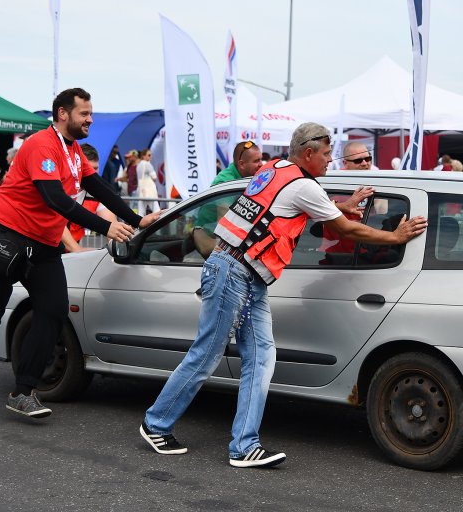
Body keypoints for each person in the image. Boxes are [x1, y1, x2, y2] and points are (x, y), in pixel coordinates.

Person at [138, 122, 427, 468]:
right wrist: (395, 237)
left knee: (260, 359)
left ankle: (244, 446)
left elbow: (290, 210)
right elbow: (343, 227)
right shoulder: (304, 185)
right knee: (207, 354)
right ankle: (156, 424)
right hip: (234, 272)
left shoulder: (276, 169)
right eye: (325, 154)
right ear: (308, 153)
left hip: (243, 273)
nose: (330, 160)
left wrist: (341, 204)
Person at [0, 87, 161, 421]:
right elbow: (55, 198)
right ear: (62, 113)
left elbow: (97, 186)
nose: (90, 119)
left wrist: (135, 218)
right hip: (7, 239)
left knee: (54, 310)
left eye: (90, 113)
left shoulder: (72, 150)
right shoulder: (41, 144)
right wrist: (106, 227)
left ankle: (23, 391)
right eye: (84, 114)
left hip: (41, 245)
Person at [62, 144, 117, 253]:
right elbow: (56, 223)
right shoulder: (60, 186)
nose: (92, 173)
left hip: (70, 252)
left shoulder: (98, 192)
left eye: (96, 168)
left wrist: (117, 249)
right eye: (87, 168)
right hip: (44, 250)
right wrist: (77, 249)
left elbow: (112, 225)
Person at [135, 148, 160, 214]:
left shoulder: (138, 165)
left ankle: (139, 224)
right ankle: (160, 223)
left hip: (141, 190)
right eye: (149, 155)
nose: (150, 156)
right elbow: (154, 177)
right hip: (149, 190)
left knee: (141, 211)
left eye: (151, 155)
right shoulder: (148, 164)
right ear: (143, 156)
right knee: (156, 209)